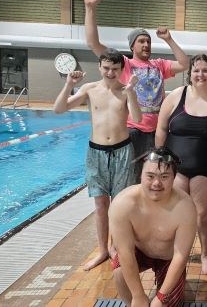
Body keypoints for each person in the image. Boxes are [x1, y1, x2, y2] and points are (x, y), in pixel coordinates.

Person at [84, 0, 189, 182]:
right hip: (133, 130)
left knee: (156, 176)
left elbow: (184, 64)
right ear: (132, 46)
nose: (146, 45)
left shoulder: (159, 65)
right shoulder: (124, 64)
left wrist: (168, 39)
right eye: (141, 41)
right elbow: (93, 43)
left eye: (148, 41)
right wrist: (90, 9)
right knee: (130, 179)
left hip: (158, 131)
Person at [53, 49, 141, 271]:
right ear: (99, 67)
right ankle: (103, 249)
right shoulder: (89, 89)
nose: (110, 72)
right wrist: (67, 84)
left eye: (115, 68)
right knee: (101, 204)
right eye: (106, 68)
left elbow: (138, 118)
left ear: (122, 69)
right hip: (96, 152)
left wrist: (131, 92)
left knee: (119, 204)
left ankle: (115, 247)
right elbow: (59, 109)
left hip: (122, 151)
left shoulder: (125, 90)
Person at [155, 54, 207, 275]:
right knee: (176, 212)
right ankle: (176, 251)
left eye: (205, 71)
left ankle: (205, 254)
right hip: (175, 167)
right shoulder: (176, 97)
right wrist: (160, 159)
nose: (201, 75)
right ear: (190, 75)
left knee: (202, 215)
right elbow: (162, 129)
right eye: (196, 71)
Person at [109, 147, 197, 307]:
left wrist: (161, 297)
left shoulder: (185, 207)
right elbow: (125, 252)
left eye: (164, 176)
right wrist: (137, 296)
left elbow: (180, 256)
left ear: (174, 178)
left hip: (168, 259)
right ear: (140, 175)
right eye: (150, 176)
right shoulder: (123, 204)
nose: (156, 183)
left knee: (162, 305)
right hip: (139, 253)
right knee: (119, 271)